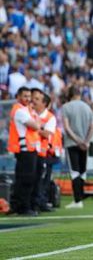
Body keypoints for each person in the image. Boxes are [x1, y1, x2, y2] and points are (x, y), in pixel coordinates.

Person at [7, 87, 44, 216]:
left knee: (23, 178)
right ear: (18, 97)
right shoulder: (20, 111)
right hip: (26, 148)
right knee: (27, 179)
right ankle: (24, 207)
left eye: (29, 96)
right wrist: (37, 122)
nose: (28, 99)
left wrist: (37, 121)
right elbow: (36, 125)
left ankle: (17, 206)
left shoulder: (25, 110)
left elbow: (36, 124)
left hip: (29, 148)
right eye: (25, 96)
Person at [62, 86, 93, 209]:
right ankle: (80, 197)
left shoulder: (66, 107)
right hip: (85, 143)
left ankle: (77, 200)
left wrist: (77, 140)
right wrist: (86, 141)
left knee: (74, 171)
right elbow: (92, 127)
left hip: (72, 143)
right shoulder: (87, 107)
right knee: (82, 171)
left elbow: (66, 127)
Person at [31, 88, 57, 213]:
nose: (33, 101)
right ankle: (35, 202)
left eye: (37, 99)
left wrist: (34, 129)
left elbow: (47, 134)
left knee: (43, 178)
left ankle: (41, 202)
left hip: (44, 152)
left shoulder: (50, 117)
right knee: (33, 178)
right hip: (31, 150)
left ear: (44, 104)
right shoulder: (31, 113)